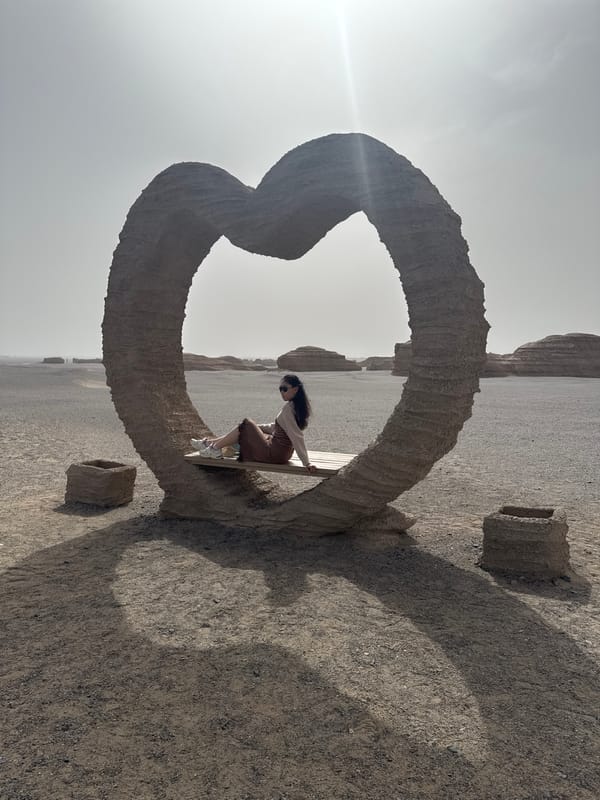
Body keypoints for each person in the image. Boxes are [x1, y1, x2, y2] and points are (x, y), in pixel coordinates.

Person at [191, 374, 317, 474]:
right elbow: (276, 427)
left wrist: (306, 463)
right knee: (246, 428)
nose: (282, 392)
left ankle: (215, 449)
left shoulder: (288, 409)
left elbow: (296, 436)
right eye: (280, 389)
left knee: (246, 423)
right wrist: (255, 428)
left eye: (284, 389)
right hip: (283, 453)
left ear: (295, 389)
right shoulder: (297, 407)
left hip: (274, 454)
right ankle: (210, 444)